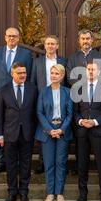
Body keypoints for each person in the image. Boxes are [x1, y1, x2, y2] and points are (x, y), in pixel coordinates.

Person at [0, 27, 33, 174]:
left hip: (18, 95)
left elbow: (29, 76)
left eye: (15, 36)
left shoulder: (25, 54)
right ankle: (1, 161)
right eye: (9, 36)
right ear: (5, 37)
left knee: (17, 128)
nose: (12, 38)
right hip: (0, 96)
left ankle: (17, 162)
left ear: (18, 38)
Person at [66, 29, 101, 175]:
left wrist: (93, 84)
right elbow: (70, 77)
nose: (85, 41)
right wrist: (84, 85)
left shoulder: (100, 57)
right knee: (80, 143)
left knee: (99, 147)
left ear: (92, 40)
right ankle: (80, 168)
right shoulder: (73, 58)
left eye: (88, 39)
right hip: (80, 98)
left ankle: (100, 169)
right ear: (79, 41)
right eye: (83, 39)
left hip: (97, 100)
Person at [0, 62, 38, 201]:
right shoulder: (3, 90)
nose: (22, 75)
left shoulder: (33, 89)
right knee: (11, 164)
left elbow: (35, 113)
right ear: (12, 74)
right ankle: (12, 192)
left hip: (27, 133)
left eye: (24, 73)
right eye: (19, 73)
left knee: (26, 164)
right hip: (9, 134)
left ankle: (24, 192)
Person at [73, 60, 101, 201]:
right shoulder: (78, 88)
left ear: (98, 72)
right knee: (82, 164)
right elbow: (75, 112)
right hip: (83, 131)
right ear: (85, 71)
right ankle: (82, 195)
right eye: (88, 69)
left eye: (93, 69)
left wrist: (95, 121)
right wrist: (80, 121)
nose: (91, 72)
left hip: (99, 130)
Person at [35, 64, 73, 201]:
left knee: (61, 163)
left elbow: (70, 114)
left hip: (63, 132)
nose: (54, 75)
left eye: (57, 73)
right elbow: (39, 112)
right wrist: (50, 129)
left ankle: (60, 193)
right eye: (52, 73)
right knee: (49, 163)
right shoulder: (43, 92)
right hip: (47, 131)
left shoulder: (68, 92)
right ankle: (50, 194)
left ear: (62, 76)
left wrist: (61, 129)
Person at [31, 35, 68, 174]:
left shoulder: (64, 61)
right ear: (45, 46)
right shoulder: (37, 62)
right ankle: (43, 162)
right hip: (43, 101)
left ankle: (59, 163)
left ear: (57, 46)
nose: (50, 46)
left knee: (59, 130)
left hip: (59, 101)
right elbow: (33, 82)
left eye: (53, 44)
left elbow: (66, 82)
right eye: (48, 44)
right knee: (44, 131)